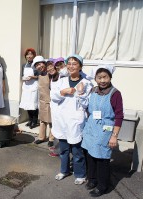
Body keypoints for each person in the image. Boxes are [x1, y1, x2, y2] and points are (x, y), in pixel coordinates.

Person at [50, 54, 93, 185]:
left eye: (74, 63)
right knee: (63, 149)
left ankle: (80, 174)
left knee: (77, 151)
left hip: (76, 121)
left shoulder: (86, 83)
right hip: (62, 120)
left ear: (80, 66)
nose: (71, 66)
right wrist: (63, 92)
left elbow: (86, 104)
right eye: (69, 63)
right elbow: (54, 97)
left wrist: (80, 93)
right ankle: (64, 170)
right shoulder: (62, 80)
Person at [81, 65, 123, 197]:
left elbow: (119, 116)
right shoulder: (93, 90)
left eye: (105, 77)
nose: (102, 80)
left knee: (102, 158)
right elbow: (87, 108)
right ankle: (92, 179)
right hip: (91, 127)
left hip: (105, 129)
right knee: (90, 155)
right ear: (95, 79)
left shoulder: (115, 93)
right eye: (99, 77)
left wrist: (114, 136)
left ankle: (103, 186)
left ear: (110, 77)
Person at [33, 58, 56, 147]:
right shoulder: (39, 74)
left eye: (40, 64)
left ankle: (51, 138)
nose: (39, 66)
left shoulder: (50, 74)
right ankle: (41, 137)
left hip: (51, 100)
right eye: (37, 65)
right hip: (42, 100)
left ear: (44, 63)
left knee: (51, 121)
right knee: (42, 120)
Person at [19, 49, 40, 129]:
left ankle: (35, 121)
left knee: (33, 104)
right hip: (26, 86)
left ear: (34, 56)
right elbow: (21, 76)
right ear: (26, 56)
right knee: (27, 104)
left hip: (34, 86)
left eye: (31, 54)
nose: (29, 56)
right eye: (28, 54)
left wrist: (33, 77)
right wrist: (23, 78)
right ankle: (30, 120)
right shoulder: (24, 65)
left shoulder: (36, 65)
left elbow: (40, 76)